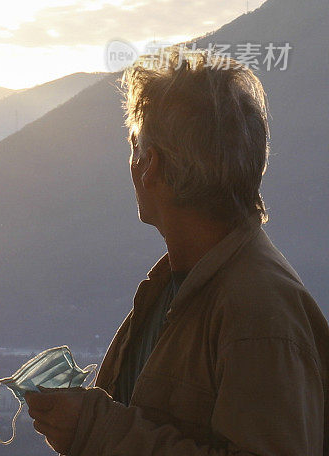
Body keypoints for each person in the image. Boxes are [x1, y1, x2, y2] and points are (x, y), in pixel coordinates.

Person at [27, 46, 329, 455]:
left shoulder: (260, 315)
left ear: (149, 165)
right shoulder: (182, 285)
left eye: (135, 147)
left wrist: (95, 429)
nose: (131, 163)